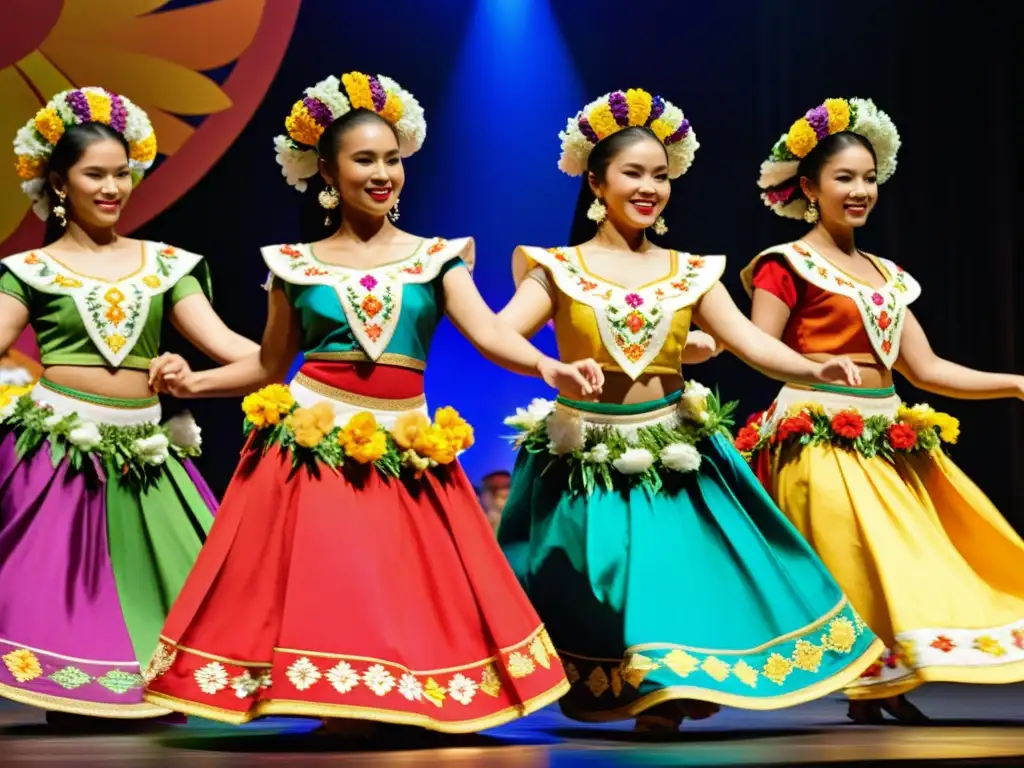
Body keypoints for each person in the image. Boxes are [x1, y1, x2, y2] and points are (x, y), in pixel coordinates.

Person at [141, 71, 603, 732]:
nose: (383, 172)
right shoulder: (294, 263)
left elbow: (491, 333)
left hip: (406, 441)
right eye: (365, 160)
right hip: (312, 439)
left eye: (392, 159)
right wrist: (193, 383)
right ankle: (338, 702)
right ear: (327, 171)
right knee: (333, 582)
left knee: (401, 586)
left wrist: (547, 365)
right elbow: (268, 365)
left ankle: (397, 696)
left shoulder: (437, 258)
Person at [495, 88, 883, 735]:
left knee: (664, 584)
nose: (650, 187)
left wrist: (809, 367)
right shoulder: (559, 268)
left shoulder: (689, 271)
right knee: (594, 589)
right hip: (585, 455)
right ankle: (621, 683)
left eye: (661, 175)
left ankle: (667, 695)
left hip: (673, 452)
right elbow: (502, 332)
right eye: (633, 173)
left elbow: (750, 340)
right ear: (596, 180)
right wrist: (547, 366)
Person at [740, 97, 1024, 723]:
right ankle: (878, 682)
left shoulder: (888, 276)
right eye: (845, 178)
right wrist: (814, 371)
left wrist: (1015, 384)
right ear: (808, 187)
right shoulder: (786, 267)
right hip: (816, 434)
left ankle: (883, 683)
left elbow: (926, 371)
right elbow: (758, 348)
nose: (861, 189)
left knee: (942, 552)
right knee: (873, 557)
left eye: (869, 177)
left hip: (884, 433)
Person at [0, 87, 257, 725]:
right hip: (58, 454)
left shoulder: (167, 266)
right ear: (59, 183)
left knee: (165, 596)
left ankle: (149, 692)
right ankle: (69, 694)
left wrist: (296, 355)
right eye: (96, 174)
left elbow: (239, 353)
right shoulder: (30, 269)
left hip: (147, 453)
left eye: (123, 173)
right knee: (62, 593)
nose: (113, 186)